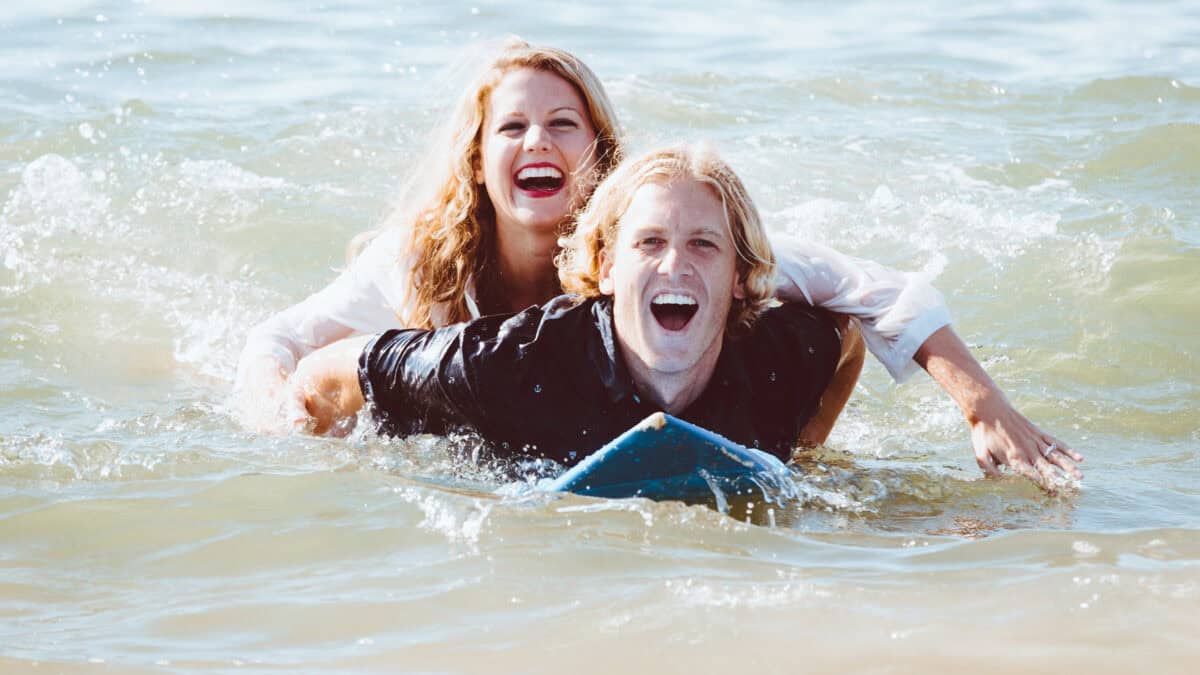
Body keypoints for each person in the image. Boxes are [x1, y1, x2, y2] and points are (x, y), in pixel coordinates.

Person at [236, 39, 1081, 487]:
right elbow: (293, 346)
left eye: (564, 125)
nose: (539, 141)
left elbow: (873, 296)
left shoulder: (670, 238)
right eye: (513, 128)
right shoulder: (425, 264)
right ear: (477, 161)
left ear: (601, 155)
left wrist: (981, 407)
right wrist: (285, 437)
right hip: (474, 391)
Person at [292, 144, 851, 463]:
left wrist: (802, 451)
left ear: (739, 277)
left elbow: (848, 338)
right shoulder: (505, 365)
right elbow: (323, 374)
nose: (674, 266)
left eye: (703, 245)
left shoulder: (775, 358)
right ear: (607, 267)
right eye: (649, 242)